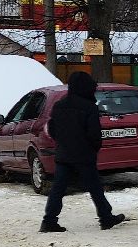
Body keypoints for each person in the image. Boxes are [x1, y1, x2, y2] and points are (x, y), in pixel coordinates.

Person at [42, 71, 128, 233]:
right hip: (84, 155)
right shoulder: (89, 107)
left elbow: (52, 129)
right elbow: (94, 134)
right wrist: (92, 149)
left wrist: (62, 143)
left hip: (63, 154)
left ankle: (49, 221)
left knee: (58, 189)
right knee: (95, 188)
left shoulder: (59, 105)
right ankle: (106, 218)